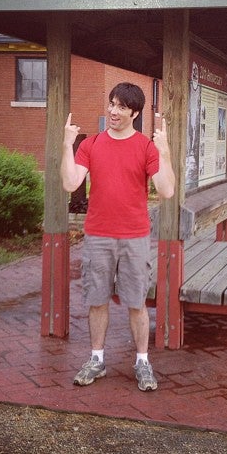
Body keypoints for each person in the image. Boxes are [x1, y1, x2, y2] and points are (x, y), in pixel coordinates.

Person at [61, 82, 175, 391]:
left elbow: (166, 190)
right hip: (98, 235)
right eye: (112, 104)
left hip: (134, 237)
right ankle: (97, 359)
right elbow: (71, 183)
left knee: (136, 302)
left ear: (135, 113)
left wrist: (164, 152)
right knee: (97, 300)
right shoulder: (92, 144)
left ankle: (142, 362)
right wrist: (66, 145)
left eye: (122, 107)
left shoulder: (145, 147)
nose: (113, 111)